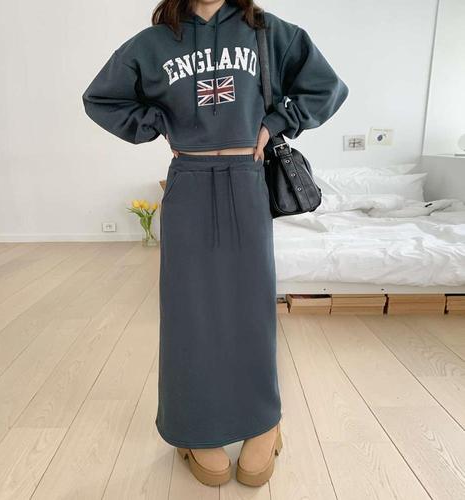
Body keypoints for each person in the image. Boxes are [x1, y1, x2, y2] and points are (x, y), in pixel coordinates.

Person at [82, 0, 348, 487]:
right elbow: (101, 99)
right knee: (189, 312)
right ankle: (193, 426)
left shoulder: (268, 32)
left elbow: (326, 86)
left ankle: (263, 420)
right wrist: (158, 123)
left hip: (247, 178)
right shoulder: (153, 43)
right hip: (188, 178)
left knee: (252, 309)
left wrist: (274, 124)